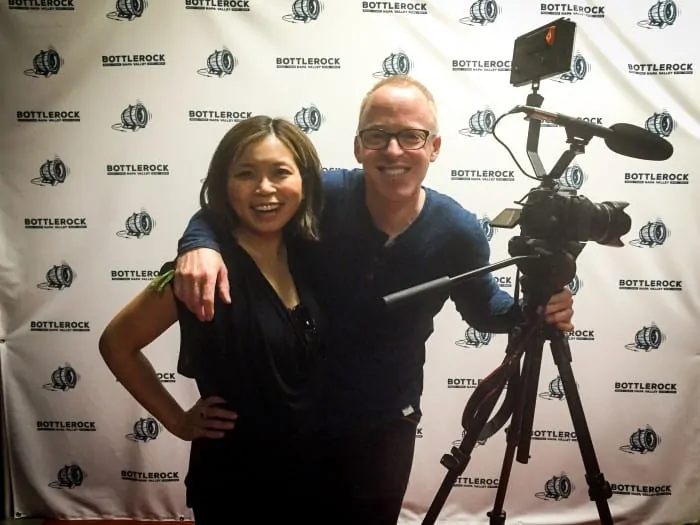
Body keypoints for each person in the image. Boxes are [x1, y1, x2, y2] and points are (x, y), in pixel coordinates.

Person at [172, 76, 575, 524]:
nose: (394, 150)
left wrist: (537, 308)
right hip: (298, 420)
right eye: (378, 135)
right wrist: (198, 242)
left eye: (411, 136)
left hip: (384, 422)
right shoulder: (324, 195)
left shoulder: (458, 231)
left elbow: (484, 309)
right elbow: (235, 205)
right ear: (359, 146)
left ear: (434, 147)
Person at [98, 115, 326, 524]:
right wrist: (178, 420)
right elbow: (117, 343)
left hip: (319, 474)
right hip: (236, 482)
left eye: (280, 172)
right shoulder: (196, 273)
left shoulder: (313, 254)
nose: (265, 189)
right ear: (224, 184)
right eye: (246, 174)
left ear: (304, 181)